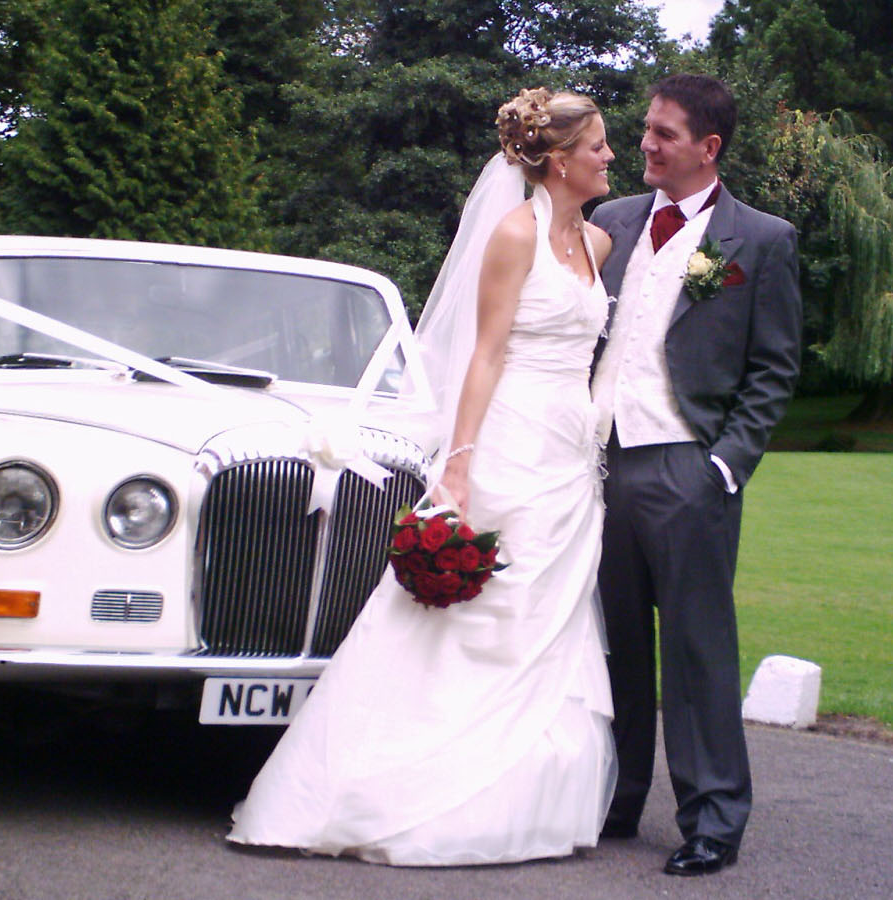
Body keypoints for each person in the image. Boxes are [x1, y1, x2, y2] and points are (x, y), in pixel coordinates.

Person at [226, 88, 619, 866]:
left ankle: (529, 802)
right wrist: (460, 464)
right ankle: (385, 792)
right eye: (601, 145)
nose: (612, 157)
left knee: (550, 620)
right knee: (477, 614)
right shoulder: (513, 235)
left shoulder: (600, 245)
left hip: (571, 459)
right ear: (562, 159)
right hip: (510, 439)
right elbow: (486, 353)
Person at [588, 73, 802, 876]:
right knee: (608, 643)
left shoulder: (763, 240)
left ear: (708, 148)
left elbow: (774, 369)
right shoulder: (609, 221)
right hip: (597, 466)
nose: (645, 143)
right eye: (645, 128)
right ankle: (613, 797)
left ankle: (713, 818)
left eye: (664, 133)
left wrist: (724, 466)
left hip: (688, 466)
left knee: (697, 649)